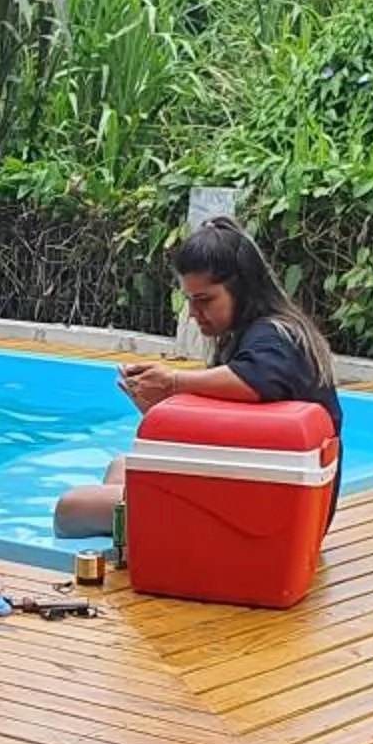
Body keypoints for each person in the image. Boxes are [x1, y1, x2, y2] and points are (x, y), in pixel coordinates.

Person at [52, 216, 343, 541]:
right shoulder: (257, 336)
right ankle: (137, 542)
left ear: (243, 289)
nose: (193, 312)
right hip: (264, 500)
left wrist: (174, 382)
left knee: (70, 510)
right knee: (121, 466)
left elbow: (256, 380)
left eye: (205, 300)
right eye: (190, 300)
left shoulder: (274, 339)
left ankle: (144, 540)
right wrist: (161, 410)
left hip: (261, 515)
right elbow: (240, 434)